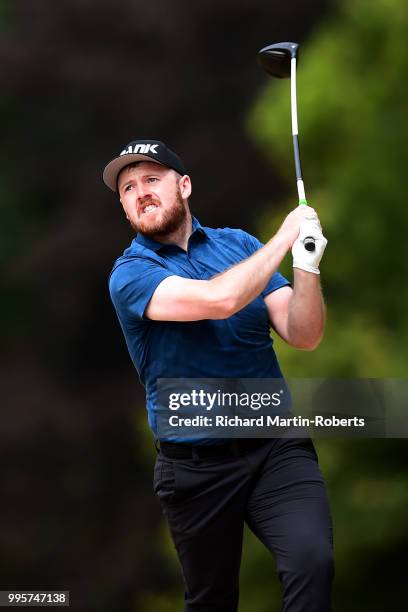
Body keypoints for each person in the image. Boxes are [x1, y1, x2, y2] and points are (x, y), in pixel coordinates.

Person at [103, 139, 334, 612]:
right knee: (212, 602)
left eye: (151, 179)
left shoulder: (240, 246)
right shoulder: (130, 274)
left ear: (183, 186)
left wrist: (305, 264)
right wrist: (283, 236)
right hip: (194, 468)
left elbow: (303, 333)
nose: (140, 192)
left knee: (312, 562)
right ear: (124, 207)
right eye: (128, 188)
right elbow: (217, 300)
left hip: (275, 448)